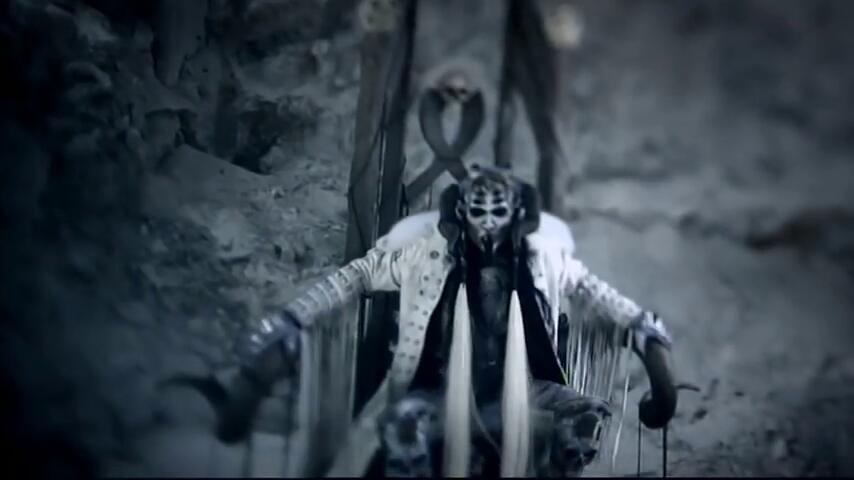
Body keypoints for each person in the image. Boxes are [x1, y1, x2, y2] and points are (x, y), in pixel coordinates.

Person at [202, 164, 676, 477]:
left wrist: (645, 331)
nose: (487, 226)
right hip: (437, 388)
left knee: (587, 417)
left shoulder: (546, 260)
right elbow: (356, 276)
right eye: (478, 214)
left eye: (498, 215)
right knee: (401, 428)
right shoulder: (424, 256)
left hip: (529, 386)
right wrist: (291, 321)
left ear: (516, 216)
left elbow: (598, 294)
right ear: (460, 213)